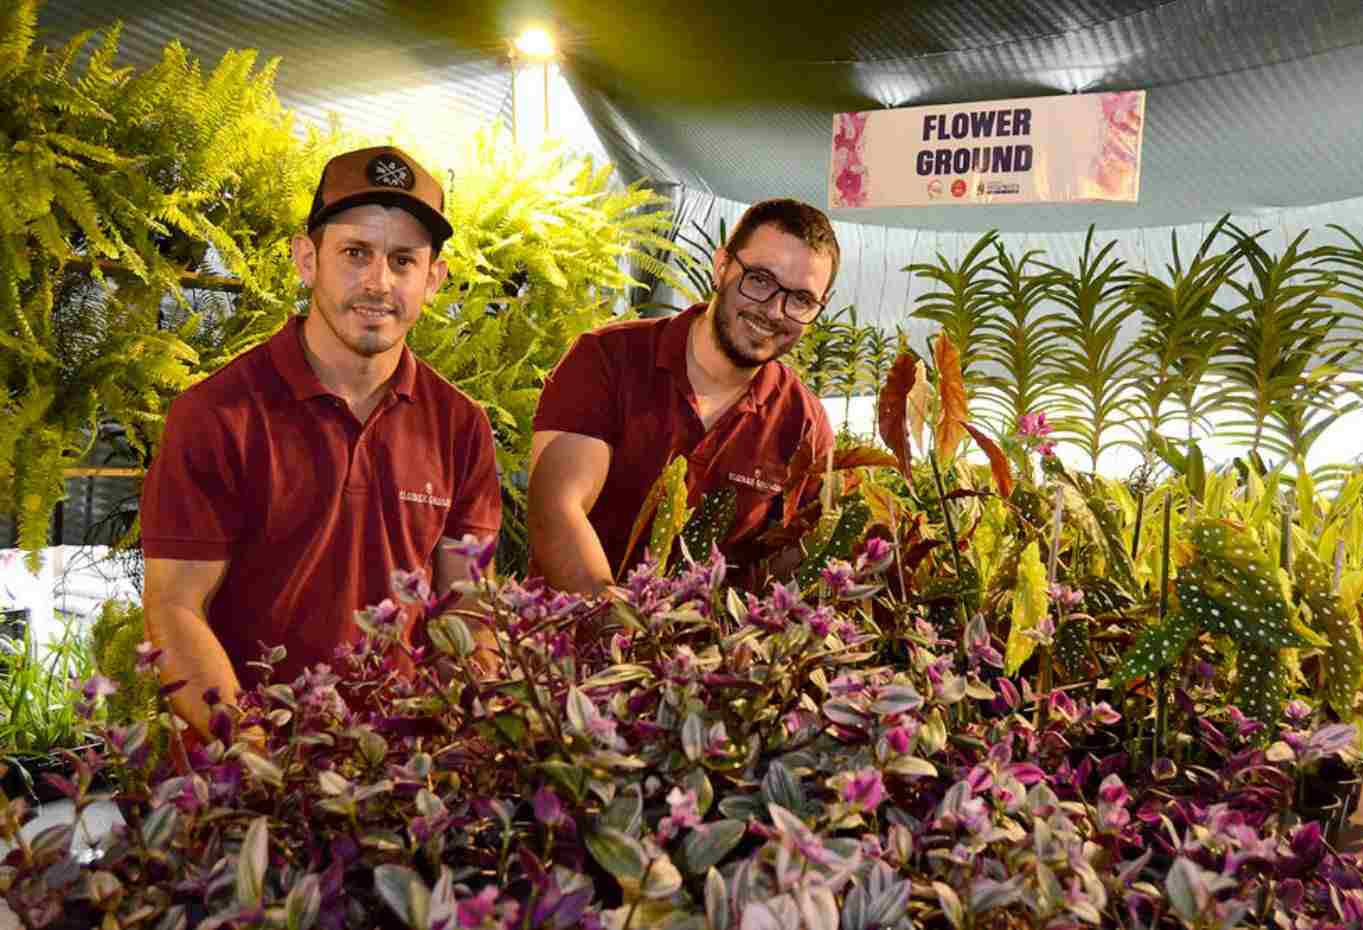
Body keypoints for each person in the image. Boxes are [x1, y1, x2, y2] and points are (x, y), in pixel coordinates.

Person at [141, 146, 502, 740]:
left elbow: (466, 603)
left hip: (399, 782)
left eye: (403, 260)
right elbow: (175, 608)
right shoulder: (217, 415)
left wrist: (452, 733)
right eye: (355, 252)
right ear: (307, 259)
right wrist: (253, 748)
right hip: (242, 779)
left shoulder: (460, 426)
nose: (378, 282)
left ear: (433, 278)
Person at [529, 198, 839, 595]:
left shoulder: (803, 422)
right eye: (759, 279)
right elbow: (556, 508)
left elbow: (797, 556)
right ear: (721, 266)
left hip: (706, 653)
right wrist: (623, 633)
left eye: (801, 299)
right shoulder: (609, 359)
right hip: (569, 640)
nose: (774, 311)